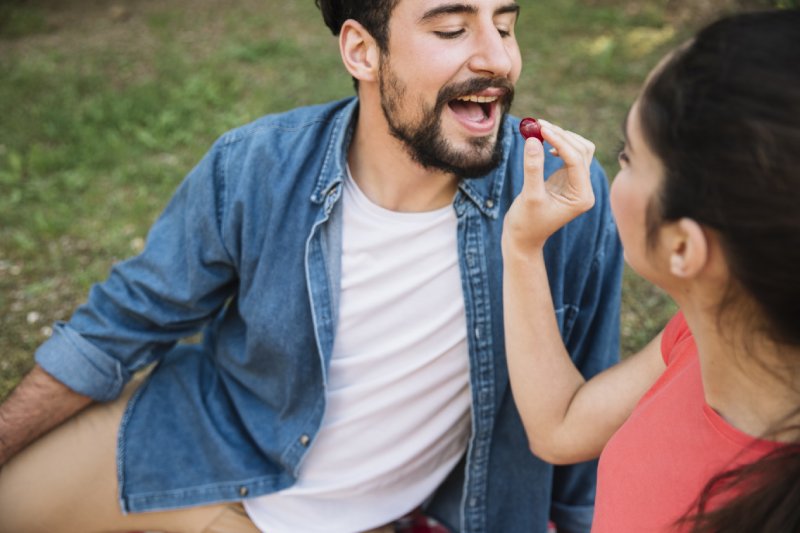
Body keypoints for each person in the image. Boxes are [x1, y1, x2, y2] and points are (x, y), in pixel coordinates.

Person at [0, 1, 624, 532]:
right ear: (362, 51)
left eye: (506, 25)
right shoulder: (256, 166)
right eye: (452, 30)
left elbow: (583, 416)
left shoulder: (561, 197)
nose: (497, 58)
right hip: (200, 448)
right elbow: (119, 325)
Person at [502, 8, 800, 533]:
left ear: (684, 246)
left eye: (630, 157)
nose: (613, 165)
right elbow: (560, 425)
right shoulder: (716, 333)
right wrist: (523, 249)